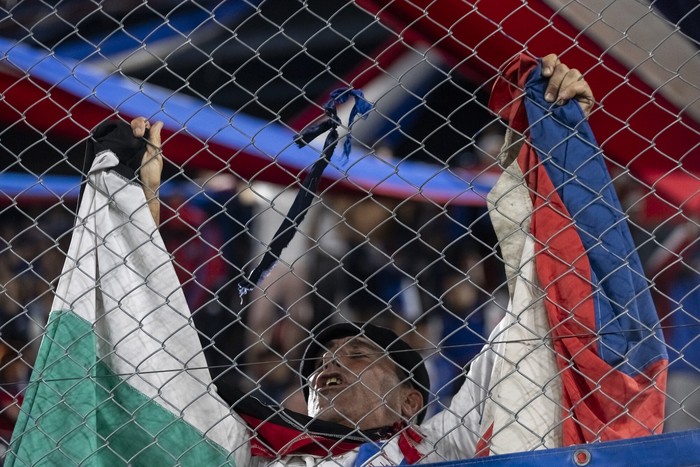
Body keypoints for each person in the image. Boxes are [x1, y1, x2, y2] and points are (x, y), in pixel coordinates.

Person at [128, 53, 601, 465]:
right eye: (319, 364)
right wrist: (135, 212)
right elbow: (162, 382)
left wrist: (557, 146)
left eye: (355, 355)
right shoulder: (264, 455)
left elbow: (519, 336)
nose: (326, 368)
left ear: (410, 402)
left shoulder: (435, 448)